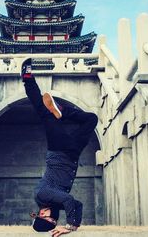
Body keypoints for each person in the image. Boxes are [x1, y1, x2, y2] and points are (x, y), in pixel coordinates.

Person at [20, 58, 98, 237]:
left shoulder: (42, 196)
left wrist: (70, 226)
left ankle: (27, 78)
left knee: (44, 113)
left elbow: (69, 199)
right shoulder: (55, 204)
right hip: (73, 153)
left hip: (58, 149)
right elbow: (77, 205)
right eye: (48, 219)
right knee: (91, 119)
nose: (44, 214)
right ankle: (62, 112)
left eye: (41, 215)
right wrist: (73, 225)